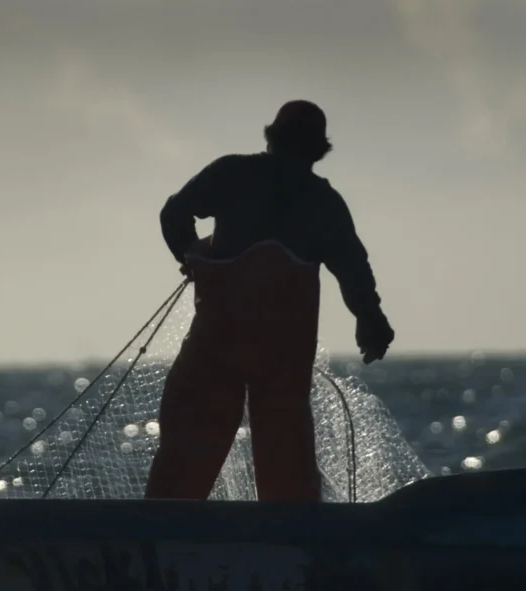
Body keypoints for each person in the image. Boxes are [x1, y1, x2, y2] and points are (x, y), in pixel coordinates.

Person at [144, 100, 394, 502]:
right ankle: (294, 549)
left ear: (272, 137)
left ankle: (160, 543)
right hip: (279, 360)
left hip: (217, 351)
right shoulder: (323, 203)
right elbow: (353, 268)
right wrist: (371, 320)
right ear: (320, 149)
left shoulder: (231, 174)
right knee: (287, 476)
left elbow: (174, 214)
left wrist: (190, 255)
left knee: (183, 470)